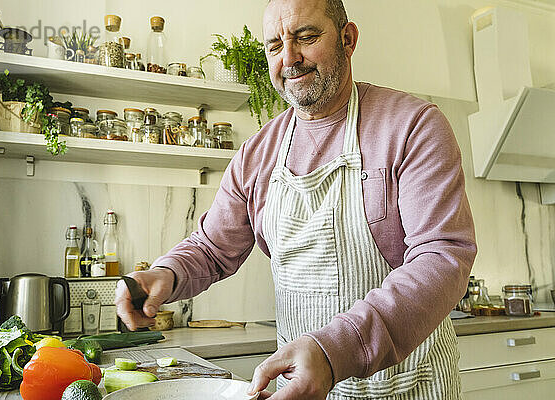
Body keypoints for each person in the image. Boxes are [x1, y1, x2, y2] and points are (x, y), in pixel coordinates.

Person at [115, 0, 477, 398]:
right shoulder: (257, 154)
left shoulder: (412, 126)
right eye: (274, 46)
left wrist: (331, 352)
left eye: (306, 37)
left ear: (347, 38)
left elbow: (442, 257)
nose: (290, 58)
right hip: (298, 385)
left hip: (407, 383)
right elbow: (212, 247)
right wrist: (166, 273)